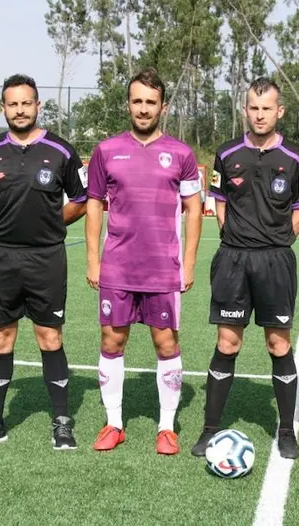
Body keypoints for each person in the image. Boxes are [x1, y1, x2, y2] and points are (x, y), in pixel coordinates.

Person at [0, 74, 88, 450]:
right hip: (0, 257)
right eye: (12, 104)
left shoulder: (62, 152)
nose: (19, 110)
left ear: (38, 105)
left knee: (49, 336)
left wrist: (50, 224)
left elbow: (80, 200)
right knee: (1, 336)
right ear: (3, 108)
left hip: (47, 257)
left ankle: (62, 421)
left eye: (26, 103)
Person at [190, 77, 299, 460]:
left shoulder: (295, 158)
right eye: (253, 108)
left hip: (276, 261)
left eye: (267, 109)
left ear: (280, 111)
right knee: (228, 342)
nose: (260, 115)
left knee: (278, 343)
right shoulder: (227, 154)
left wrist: (273, 242)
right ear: (245, 110)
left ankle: (287, 430)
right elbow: (220, 206)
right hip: (233, 260)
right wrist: (240, 240)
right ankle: (210, 430)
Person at [86, 68, 203, 456]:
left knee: (166, 342)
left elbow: (193, 209)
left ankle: (167, 428)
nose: (143, 108)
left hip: (162, 267)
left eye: (151, 102)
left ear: (163, 107)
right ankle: (114, 423)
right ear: (128, 104)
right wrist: (92, 259)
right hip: (117, 265)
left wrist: (188, 262)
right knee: (111, 339)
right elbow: (94, 206)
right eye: (137, 101)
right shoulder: (105, 151)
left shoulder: (182, 154)